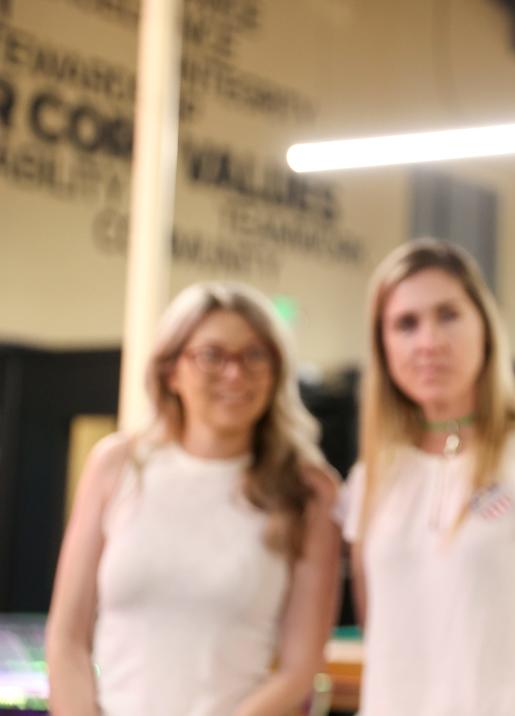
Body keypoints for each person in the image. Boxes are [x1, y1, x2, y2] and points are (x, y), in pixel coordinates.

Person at [342, 239, 515, 716]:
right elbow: (382, 639)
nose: (428, 342)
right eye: (405, 324)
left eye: (447, 314)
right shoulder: (369, 479)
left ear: (486, 327)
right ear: (383, 345)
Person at [45, 282, 341, 716]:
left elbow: (300, 668)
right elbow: (67, 638)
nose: (235, 374)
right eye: (212, 355)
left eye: (255, 355)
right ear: (171, 371)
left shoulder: (309, 490)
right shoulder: (117, 465)